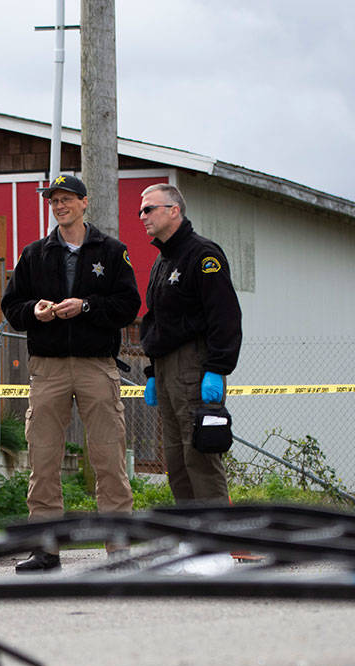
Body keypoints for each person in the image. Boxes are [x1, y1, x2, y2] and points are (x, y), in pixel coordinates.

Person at [2, 175, 141, 572]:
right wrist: (35, 312)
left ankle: (119, 548)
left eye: (66, 199)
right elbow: (12, 308)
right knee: (43, 458)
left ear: (84, 203)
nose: (59, 206)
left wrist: (87, 307)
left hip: (97, 365)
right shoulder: (34, 254)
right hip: (47, 369)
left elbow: (128, 305)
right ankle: (45, 549)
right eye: (53, 201)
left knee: (108, 457)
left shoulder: (112, 251)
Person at [138, 183, 242, 503]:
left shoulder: (203, 255)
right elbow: (156, 320)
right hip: (167, 367)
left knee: (200, 452)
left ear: (174, 210)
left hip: (195, 365)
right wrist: (153, 371)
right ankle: (191, 535)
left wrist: (217, 368)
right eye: (140, 211)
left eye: (148, 209)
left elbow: (225, 315)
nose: (142, 216)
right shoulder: (162, 261)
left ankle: (217, 538)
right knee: (175, 458)